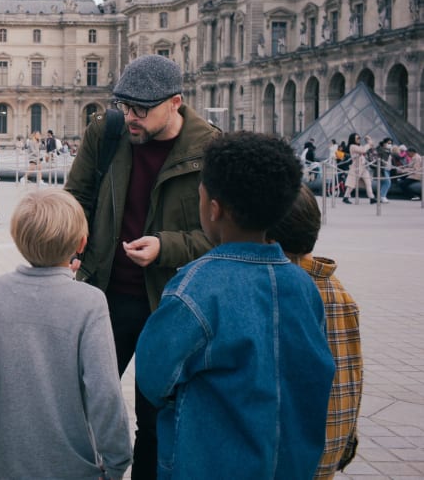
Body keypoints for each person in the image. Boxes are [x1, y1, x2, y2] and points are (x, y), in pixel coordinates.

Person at [135, 132, 335, 479]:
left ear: (213, 209)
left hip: (209, 463)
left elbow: (152, 378)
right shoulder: (304, 286)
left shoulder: (193, 288)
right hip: (291, 465)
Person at [65, 54, 219, 479]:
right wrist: (70, 243)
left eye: (140, 109)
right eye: (124, 105)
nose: (129, 116)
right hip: (106, 293)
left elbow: (218, 236)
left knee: (156, 421)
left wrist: (165, 246)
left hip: (170, 302)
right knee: (82, 406)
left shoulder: (210, 149)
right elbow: (77, 197)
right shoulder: (108, 132)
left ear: (175, 102)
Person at [0, 189, 132, 479]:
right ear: (82, 243)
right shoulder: (89, 302)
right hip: (73, 467)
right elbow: (105, 393)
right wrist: (117, 461)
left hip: (6, 463)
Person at [267, 185, 363, 478]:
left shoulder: (275, 292)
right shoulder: (338, 293)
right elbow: (351, 378)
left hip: (285, 458)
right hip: (328, 449)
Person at [343, 132, 375, 204]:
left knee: (368, 183)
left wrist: (369, 140)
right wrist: (369, 144)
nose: (359, 139)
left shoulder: (359, 146)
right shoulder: (352, 146)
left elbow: (370, 147)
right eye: (357, 138)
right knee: (351, 184)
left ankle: (372, 197)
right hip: (356, 168)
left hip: (363, 167)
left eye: (359, 138)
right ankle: (346, 197)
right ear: (353, 139)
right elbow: (363, 150)